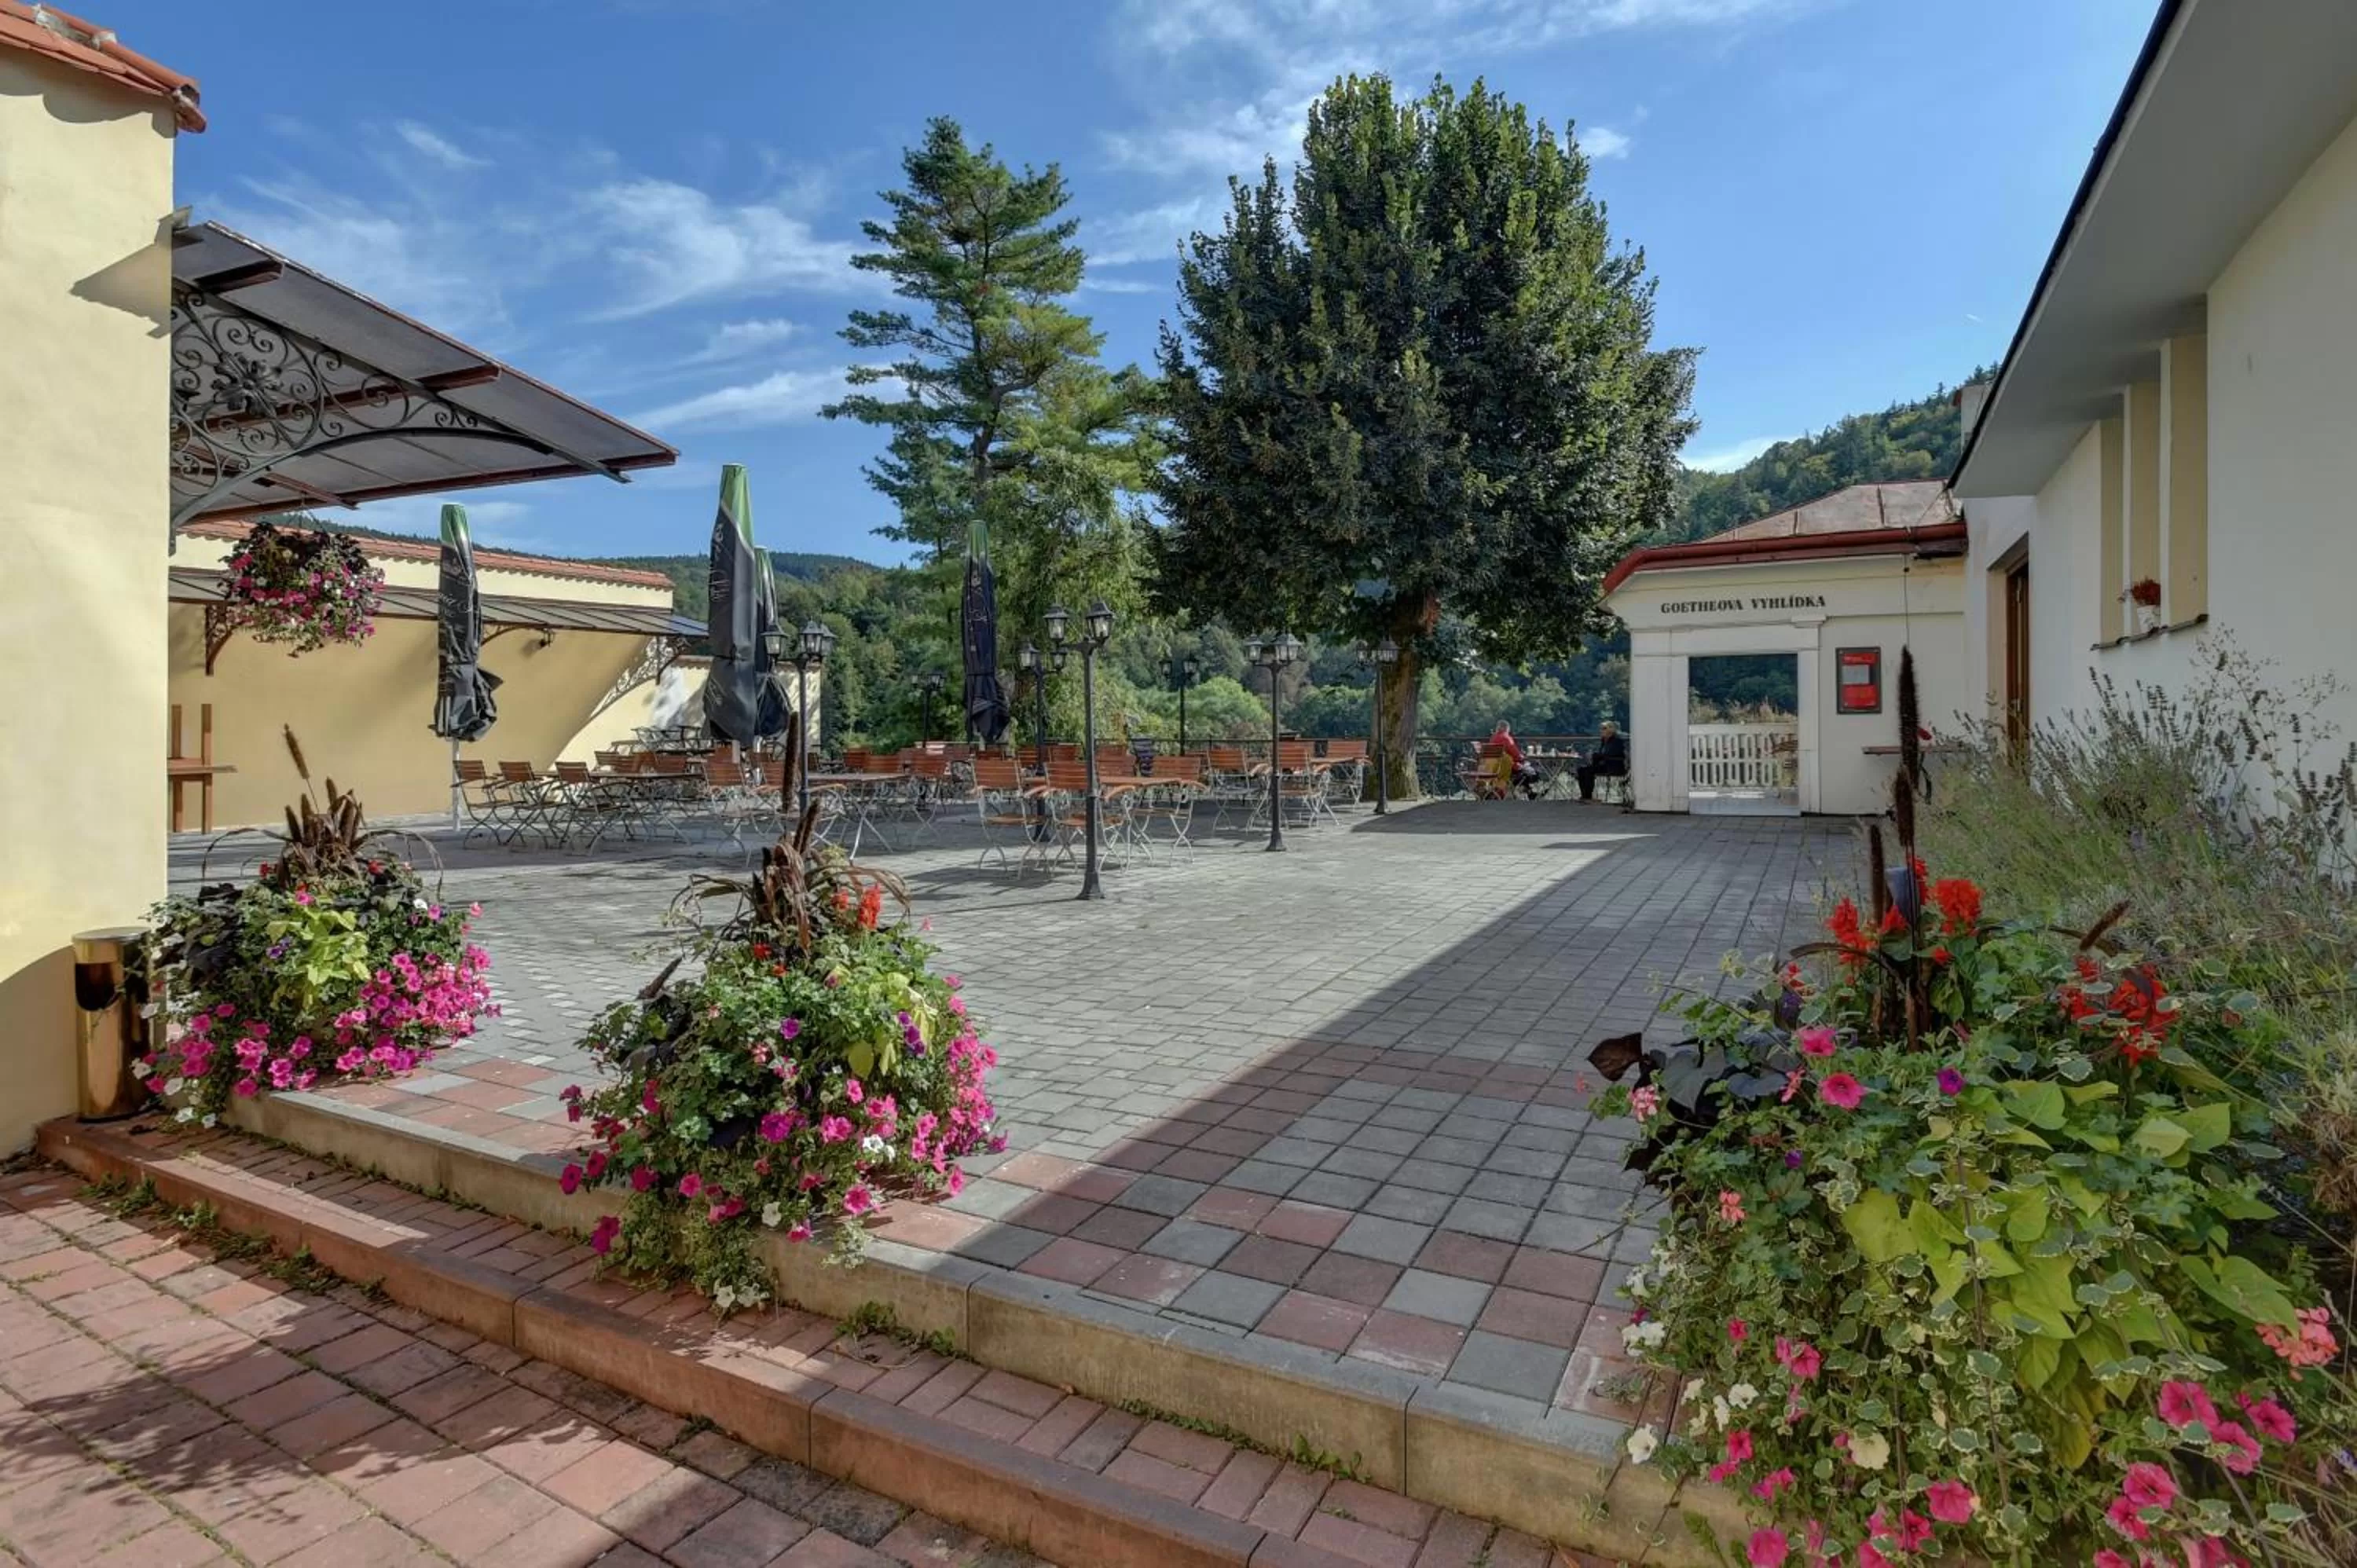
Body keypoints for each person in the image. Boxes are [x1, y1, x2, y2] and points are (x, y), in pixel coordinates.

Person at [1487, 721, 1541, 798]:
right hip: (1507, 769)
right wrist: (1523, 757)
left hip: (1494, 769)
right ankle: (1529, 793)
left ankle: (1530, 793)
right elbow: (1517, 756)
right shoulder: (1506, 738)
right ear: (1506, 728)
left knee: (1525, 771)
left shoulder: (1493, 738)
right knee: (1531, 772)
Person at [1578, 720, 1628, 801]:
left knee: (1589, 771)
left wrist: (1595, 755)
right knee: (1581, 770)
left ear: (1611, 730)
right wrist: (1594, 756)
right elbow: (1602, 754)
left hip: (1613, 766)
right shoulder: (1604, 741)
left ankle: (1588, 796)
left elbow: (1610, 754)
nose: (1601, 731)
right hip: (1604, 765)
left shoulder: (1617, 741)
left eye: (1604, 728)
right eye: (1601, 729)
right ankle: (1584, 795)